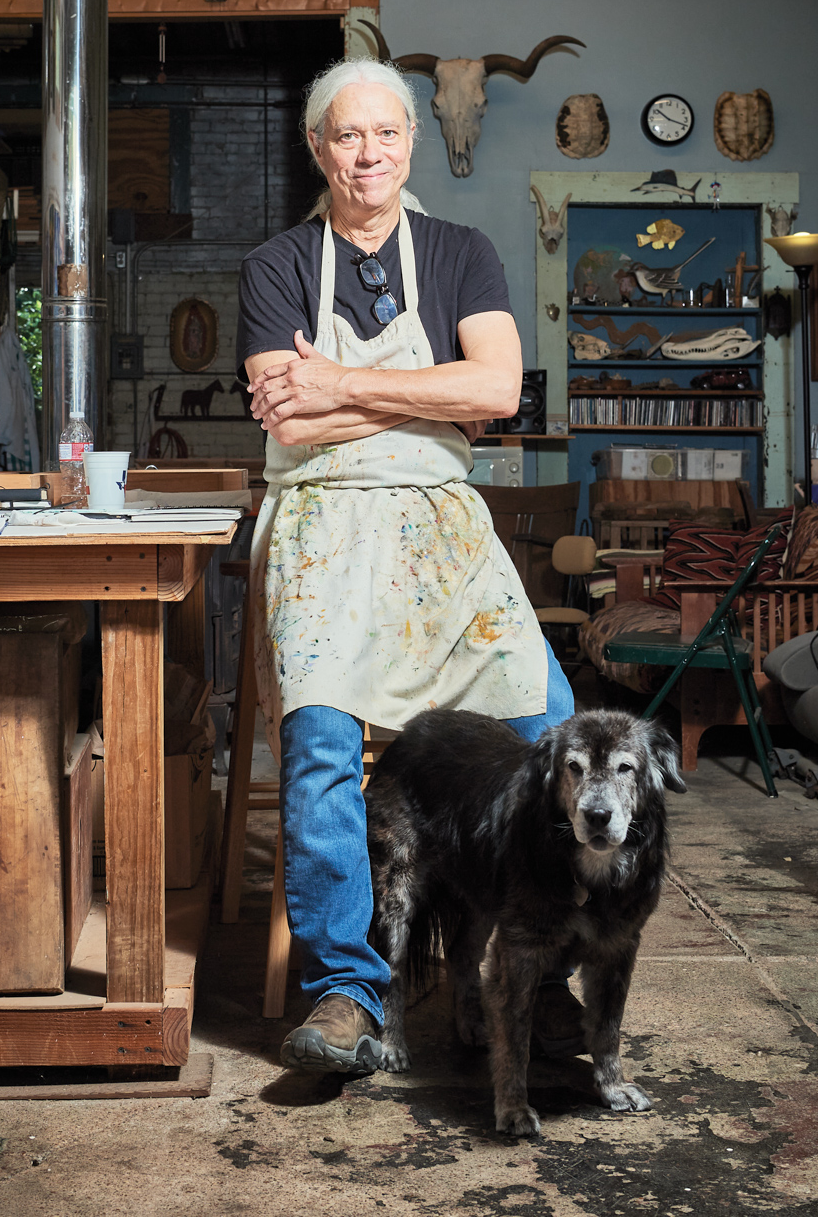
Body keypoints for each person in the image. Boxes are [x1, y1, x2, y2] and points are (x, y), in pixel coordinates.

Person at [236, 57, 578, 1076]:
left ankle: (533, 965)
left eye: (386, 133)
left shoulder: (463, 252)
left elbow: (498, 391)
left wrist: (338, 378)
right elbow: (283, 411)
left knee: (547, 732)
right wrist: (433, 391)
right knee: (320, 745)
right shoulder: (276, 265)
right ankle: (347, 991)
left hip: (442, 529)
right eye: (348, 136)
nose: (369, 152)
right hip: (323, 525)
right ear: (318, 149)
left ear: (412, 143)